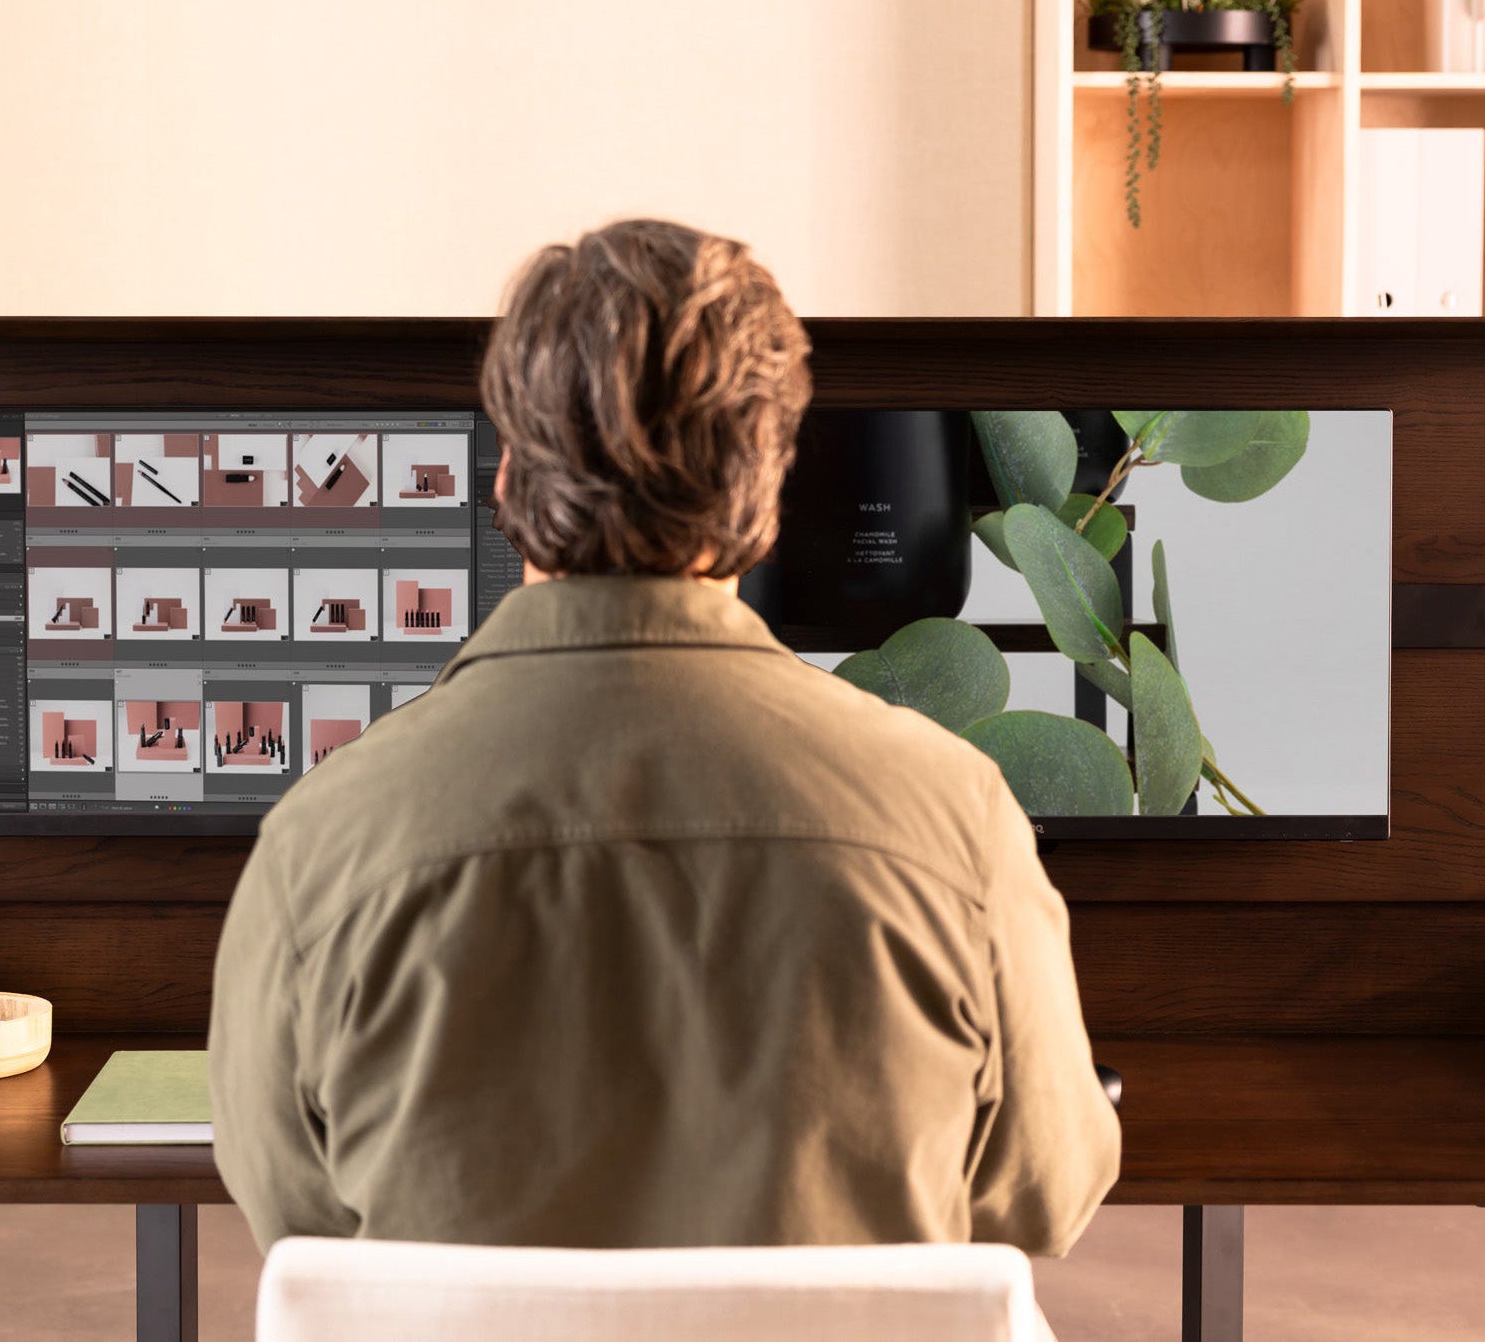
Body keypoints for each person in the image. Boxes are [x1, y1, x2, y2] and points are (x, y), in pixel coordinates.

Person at [209, 218, 1119, 1252]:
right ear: (767, 497)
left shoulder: (320, 840)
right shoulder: (954, 817)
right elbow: (1043, 1195)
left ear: (507, 476)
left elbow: (298, 1219)